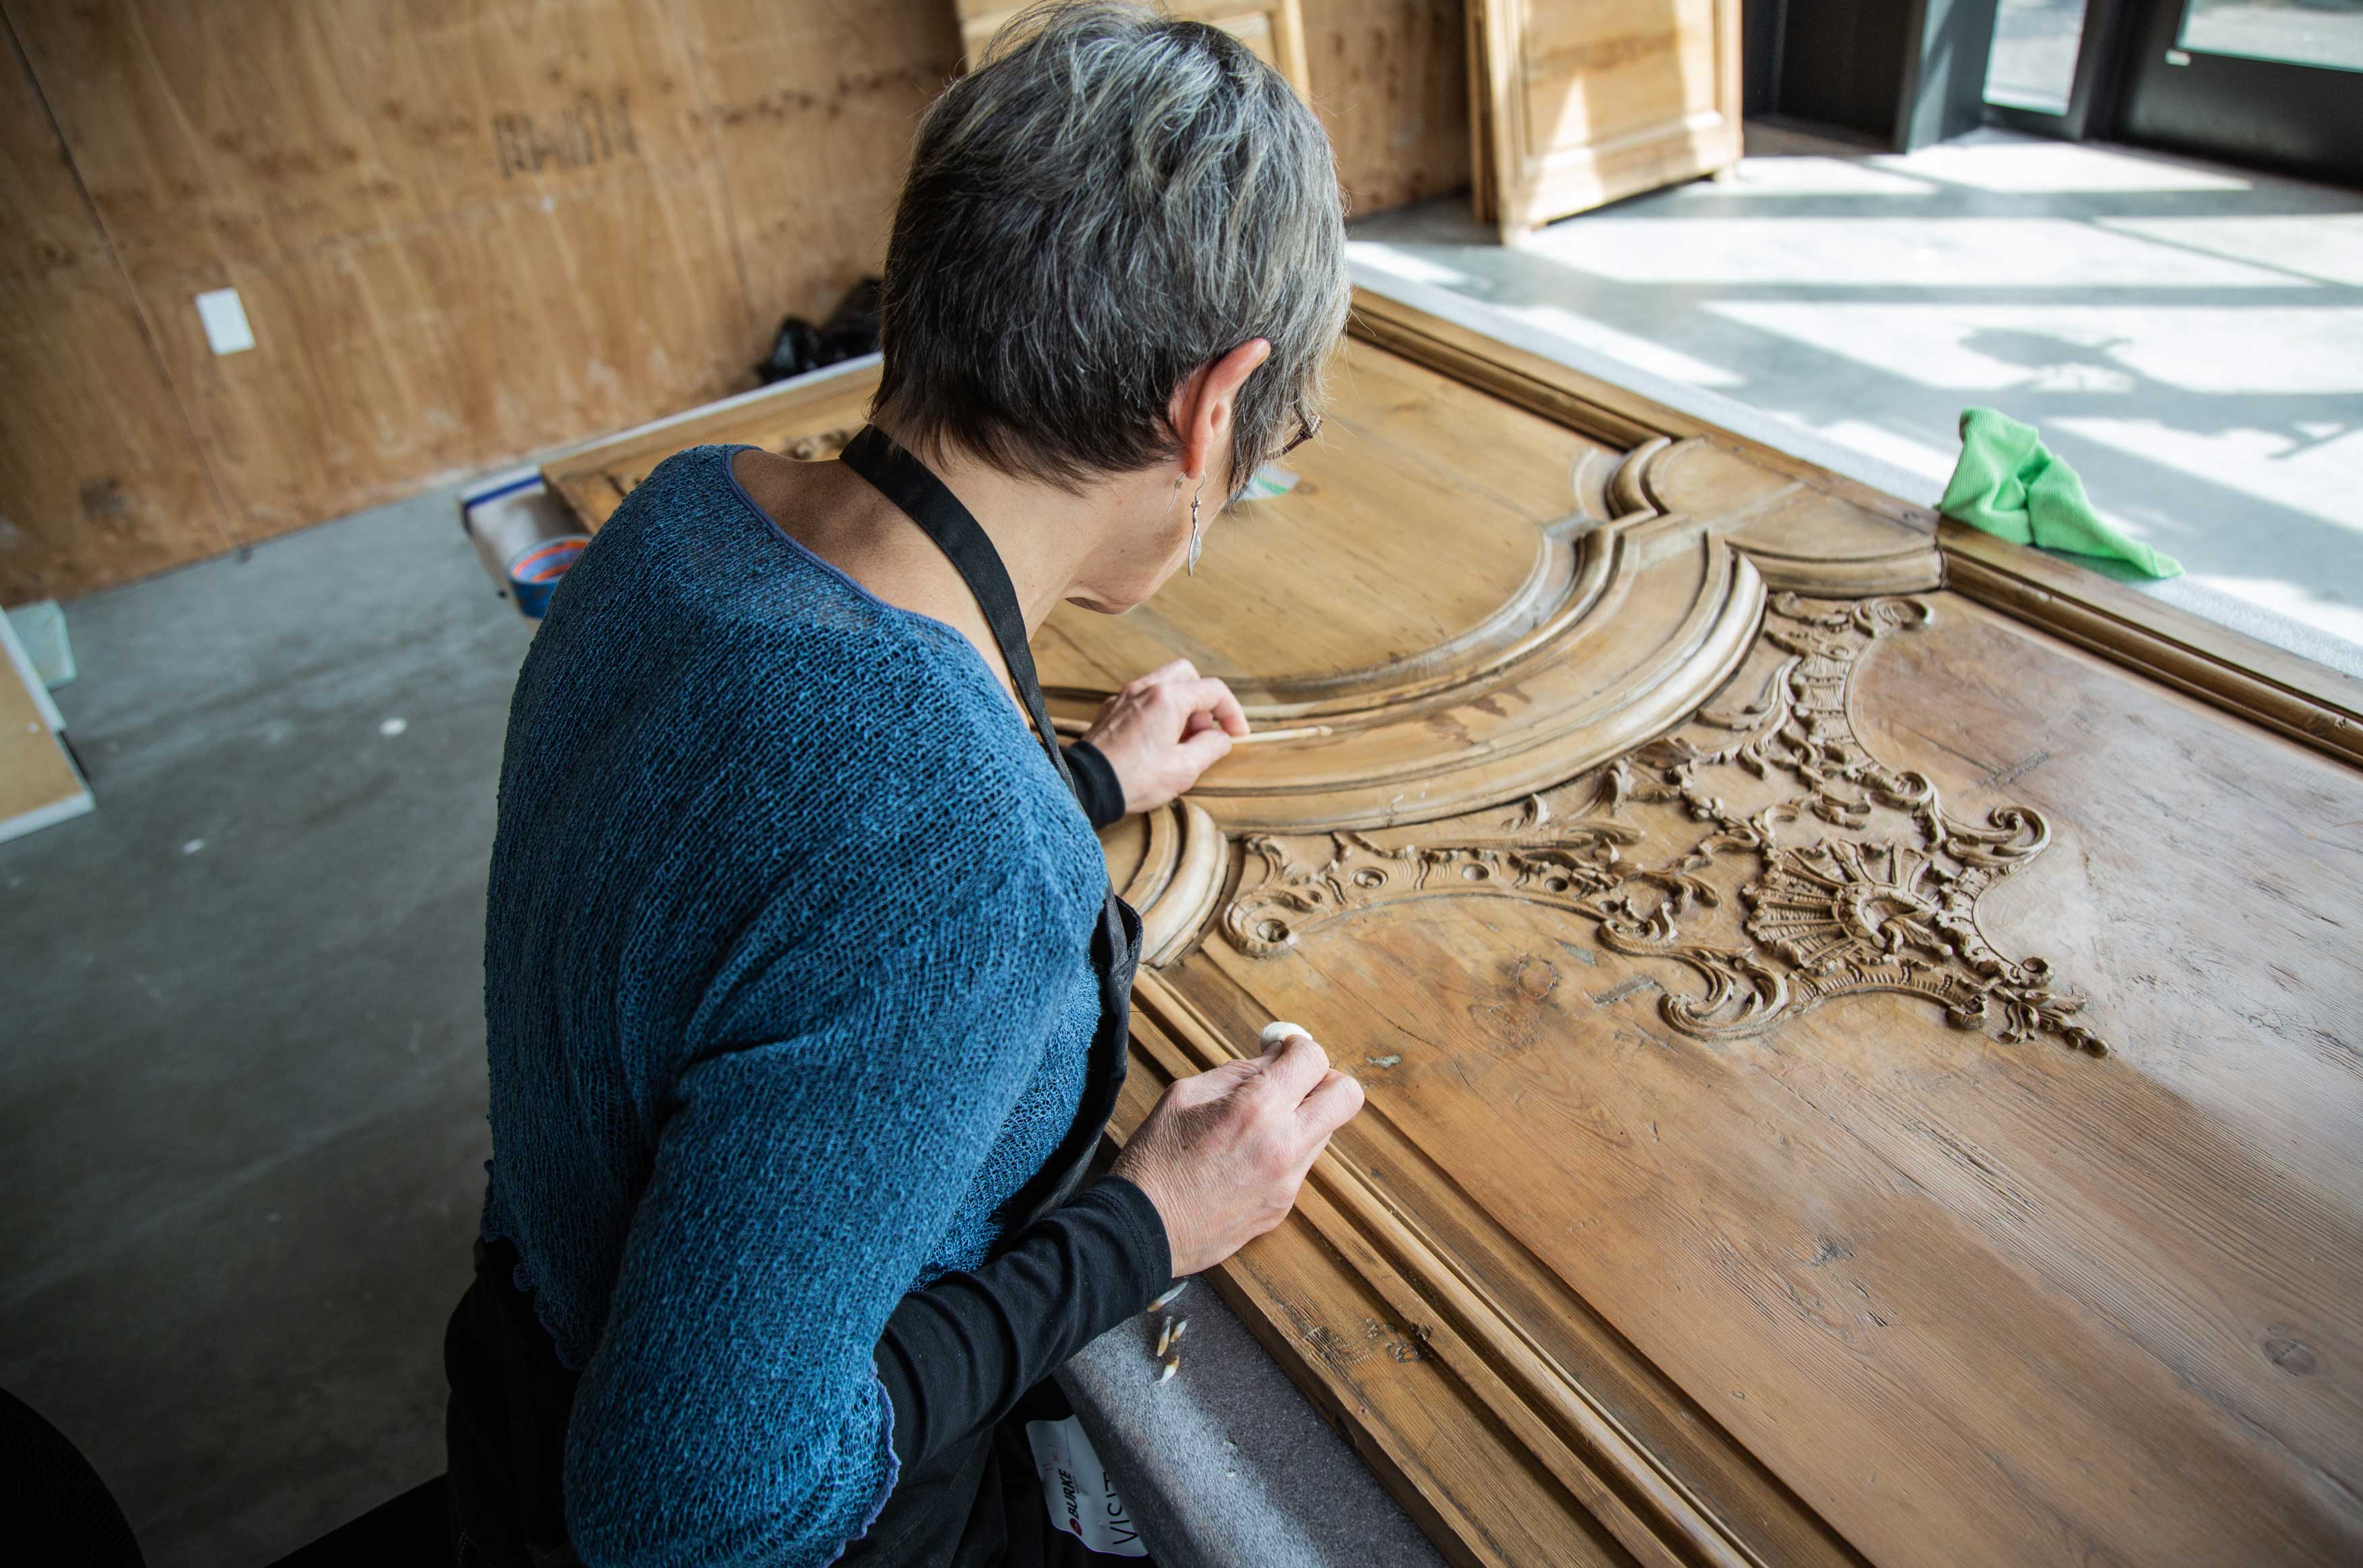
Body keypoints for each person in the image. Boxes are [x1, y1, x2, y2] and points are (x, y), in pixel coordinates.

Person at [441, 5, 1360, 1565]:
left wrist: (1067, 776)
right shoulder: (960, 850)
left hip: (513, 1361)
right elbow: (689, 1512)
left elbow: (769, 856)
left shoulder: (676, 521)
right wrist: (1149, 1225)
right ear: (1212, 415)